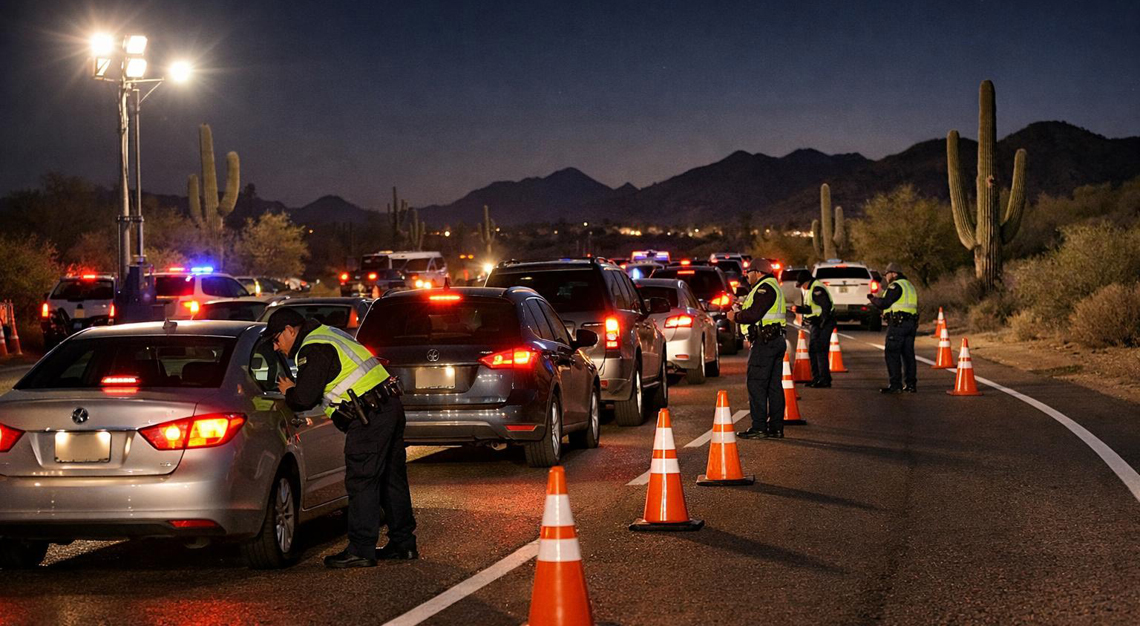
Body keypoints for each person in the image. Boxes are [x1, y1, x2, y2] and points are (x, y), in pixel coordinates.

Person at [266, 307, 418, 568]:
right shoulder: (329, 333)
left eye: (277, 339)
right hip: (387, 405)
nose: (277, 347)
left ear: (291, 330)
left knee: (362, 481)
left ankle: (360, 549)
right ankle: (403, 545)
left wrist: (290, 389)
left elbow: (304, 398)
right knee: (391, 480)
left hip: (369, 415)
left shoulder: (312, 347)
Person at [727, 259, 787, 439]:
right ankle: (776, 428)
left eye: (749, 272)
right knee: (773, 386)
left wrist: (735, 316)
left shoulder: (764, 288)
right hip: (774, 339)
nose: (746, 275)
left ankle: (759, 427)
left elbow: (755, 314)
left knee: (757, 385)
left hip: (765, 343)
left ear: (758, 272)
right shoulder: (770, 286)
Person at [867, 263, 919, 393]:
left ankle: (895, 385)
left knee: (892, 353)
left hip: (898, 325)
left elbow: (884, 303)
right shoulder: (909, 285)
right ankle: (911, 384)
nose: (886, 277)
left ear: (894, 273)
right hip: (910, 323)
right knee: (908, 355)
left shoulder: (896, 286)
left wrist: (872, 299)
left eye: (887, 274)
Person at [792, 269, 835, 388]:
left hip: (822, 323)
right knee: (813, 350)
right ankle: (817, 378)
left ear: (807, 281)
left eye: (802, 285)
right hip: (816, 323)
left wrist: (823, 323)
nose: (802, 287)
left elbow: (826, 307)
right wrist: (799, 309)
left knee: (820, 350)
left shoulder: (816, 289)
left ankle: (824, 380)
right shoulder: (811, 289)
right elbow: (812, 309)